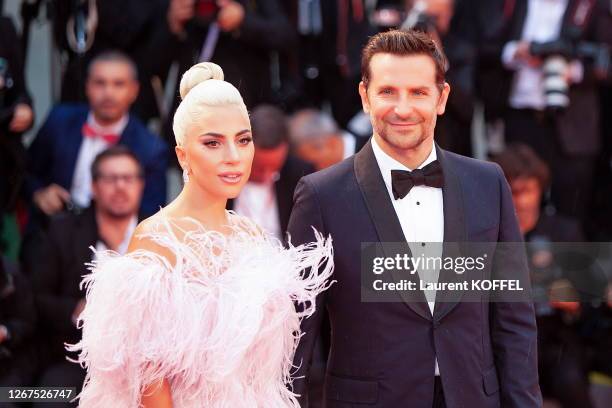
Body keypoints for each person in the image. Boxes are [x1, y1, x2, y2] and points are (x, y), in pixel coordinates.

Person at [288, 30, 542, 407]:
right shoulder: (321, 196)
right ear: (365, 97)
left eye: (418, 92)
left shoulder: (488, 183)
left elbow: (514, 317)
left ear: (441, 98)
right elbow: (298, 333)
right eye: (388, 91)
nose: (402, 108)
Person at [68, 62, 333, 407]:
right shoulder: (156, 239)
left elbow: (263, 373)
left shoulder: (251, 237)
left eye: (243, 140)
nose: (233, 157)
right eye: (213, 143)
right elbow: (150, 381)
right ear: (183, 155)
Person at [30, 146, 145, 406]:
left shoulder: (158, 234)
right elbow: (37, 298)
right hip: (75, 360)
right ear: (93, 186)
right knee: (46, 398)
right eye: (110, 179)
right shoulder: (62, 232)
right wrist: (76, 310)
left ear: (141, 185)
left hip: (143, 364)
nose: (120, 187)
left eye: (128, 178)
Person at [26, 51, 168, 220]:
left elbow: (152, 214)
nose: (108, 93)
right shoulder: (59, 120)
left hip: (116, 242)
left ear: (134, 90)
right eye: (100, 83)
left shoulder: (151, 148)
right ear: (87, 86)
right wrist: (39, 194)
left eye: (119, 84)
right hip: (52, 228)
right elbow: (27, 172)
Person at [229, 104, 314, 241]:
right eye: (258, 167)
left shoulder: (300, 175)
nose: (266, 175)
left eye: (275, 167)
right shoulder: (223, 173)